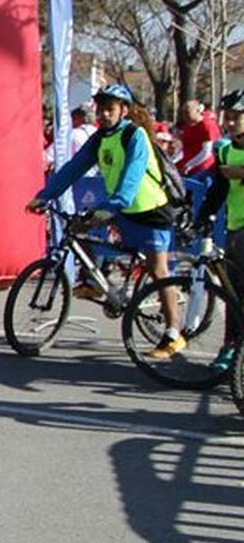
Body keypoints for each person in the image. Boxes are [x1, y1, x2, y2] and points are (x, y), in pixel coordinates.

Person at [28, 84, 185, 358]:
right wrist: (45, 195)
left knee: (158, 270)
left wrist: (108, 208)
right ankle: (93, 281)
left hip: (151, 210)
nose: (104, 114)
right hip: (123, 211)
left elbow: (131, 178)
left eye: (109, 109)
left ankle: (173, 333)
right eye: (100, 109)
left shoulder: (135, 136)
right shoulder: (100, 138)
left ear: (124, 110)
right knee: (78, 229)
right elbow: (73, 168)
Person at [197, 90, 244, 370]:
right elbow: (218, 189)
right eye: (228, 117)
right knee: (233, 293)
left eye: (237, 116)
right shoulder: (225, 149)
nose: (231, 122)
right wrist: (202, 217)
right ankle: (231, 348)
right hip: (234, 226)